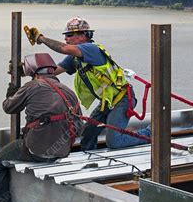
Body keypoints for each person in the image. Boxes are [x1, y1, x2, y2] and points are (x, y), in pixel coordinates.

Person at [25, 16, 151, 151]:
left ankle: (151, 133)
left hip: (123, 99)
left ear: (83, 36)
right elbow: (51, 72)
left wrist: (41, 38)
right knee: (87, 136)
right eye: (66, 35)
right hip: (107, 102)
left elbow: (64, 48)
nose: (66, 38)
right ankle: (91, 162)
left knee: (115, 142)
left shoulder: (91, 49)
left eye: (70, 35)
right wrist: (25, 69)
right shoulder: (75, 58)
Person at [0, 53, 82, 202]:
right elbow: (79, 127)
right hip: (61, 152)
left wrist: (11, 94)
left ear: (32, 72)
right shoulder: (69, 92)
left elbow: (8, 107)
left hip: (35, 151)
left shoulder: (31, 86)